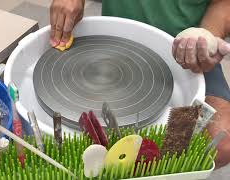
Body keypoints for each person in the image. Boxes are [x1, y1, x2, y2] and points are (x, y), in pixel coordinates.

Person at [49, 0, 230, 169]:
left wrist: (206, 37)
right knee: (76, 143)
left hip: (184, 53)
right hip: (114, 41)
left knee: (221, 143)